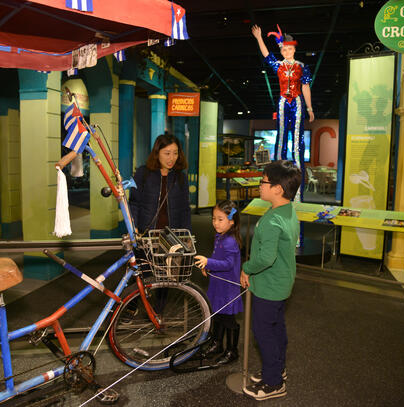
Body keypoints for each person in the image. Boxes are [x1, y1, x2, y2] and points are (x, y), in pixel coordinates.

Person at [240, 160, 301, 401]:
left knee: (264, 331)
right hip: (282, 283)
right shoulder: (286, 210)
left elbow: (266, 257)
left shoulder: (274, 220)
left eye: (263, 181)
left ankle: (274, 383)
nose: (259, 185)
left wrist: (246, 268)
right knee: (277, 328)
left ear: (277, 188)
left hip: (268, 285)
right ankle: (276, 369)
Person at [252, 24, 313, 202]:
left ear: (294, 49)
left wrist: (310, 108)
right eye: (284, 49)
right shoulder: (278, 65)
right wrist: (259, 38)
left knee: (297, 139)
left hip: (297, 102)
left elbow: (306, 87)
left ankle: (298, 187)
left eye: (290, 48)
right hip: (282, 103)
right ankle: (278, 177)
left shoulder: (302, 66)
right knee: (280, 138)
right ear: (282, 50)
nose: (287, 51)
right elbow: (266, 55)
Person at [194, 200, 243, 365]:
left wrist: (208, 262)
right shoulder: (221, 236)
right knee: (218, 315)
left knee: (229, 320)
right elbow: (218, 259)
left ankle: (232, 350)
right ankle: (216, 344)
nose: (215, 222)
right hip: (218, 284)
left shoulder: (230, 241)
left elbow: (228, 264)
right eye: (214, 218)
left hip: (228, 288)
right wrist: (209, 267)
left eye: (220, 219)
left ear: (231, 221)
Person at [129, 134, 191, 234]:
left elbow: (185, 209)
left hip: (173, 235)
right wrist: (133, 227)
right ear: (157, 153)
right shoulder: (143, 173)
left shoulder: (181, 177)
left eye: (175, 153)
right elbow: (134, 204)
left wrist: (187, 233)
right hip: (146, 234)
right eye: (167, 153)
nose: (172, 158)